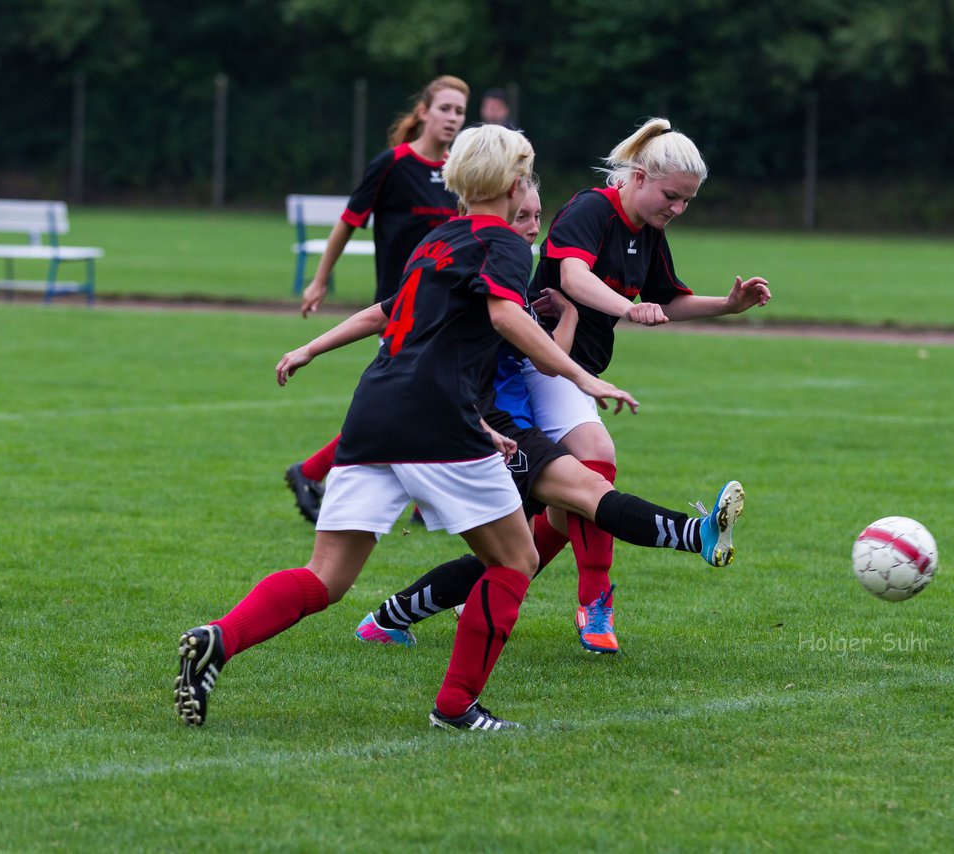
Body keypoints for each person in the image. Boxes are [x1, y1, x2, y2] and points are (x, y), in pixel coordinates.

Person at [175, 124, 639, 731]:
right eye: (523, 171)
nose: (528, 183)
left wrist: (312, 347)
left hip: (374, 412)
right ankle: (455, 707)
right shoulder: (502, 242)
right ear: (505, 181)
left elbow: (386, 313)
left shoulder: (437, 240)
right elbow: (505, 316)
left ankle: (221, 638)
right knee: (514, 561)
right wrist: (584, 378)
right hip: (436, 419)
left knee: (327, 577)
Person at [352, 185, 745, 649]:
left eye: (538, 214)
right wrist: (586, 377)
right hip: (493, 429)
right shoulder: (480, 268)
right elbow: (388, 316)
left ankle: (385, 620)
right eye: (523, 216)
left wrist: (569, 319)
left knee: (518, 553)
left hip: (518, 426)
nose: (536, 227)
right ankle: (694, 533)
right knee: (587, 493)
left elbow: (540, 357)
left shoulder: (512, 278)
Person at [519, 117, 772, 654]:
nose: (677, 209)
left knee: (568, 513)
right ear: (637, 176)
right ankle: (594, 605)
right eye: (671, 196)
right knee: (596, 455)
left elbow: (669, 299)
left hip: (574, 371)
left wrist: (727, 306)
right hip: (536, 361)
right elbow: (571, 276)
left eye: (687, 202)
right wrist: (629, 309)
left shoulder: (648, 234)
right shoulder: (593, 208)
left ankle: (474, 593)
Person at [285, 75, 470, 520]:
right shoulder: (391, 164)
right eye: (445, 108)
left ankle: (320, 473)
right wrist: (320, 279)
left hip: (447, 304)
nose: (452, 118)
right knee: (410, 401)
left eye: (460, 112)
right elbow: (348, 222)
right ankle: (315, 472)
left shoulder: (458, 172)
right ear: (423, 112)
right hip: (397, 306)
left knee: (429, 399)